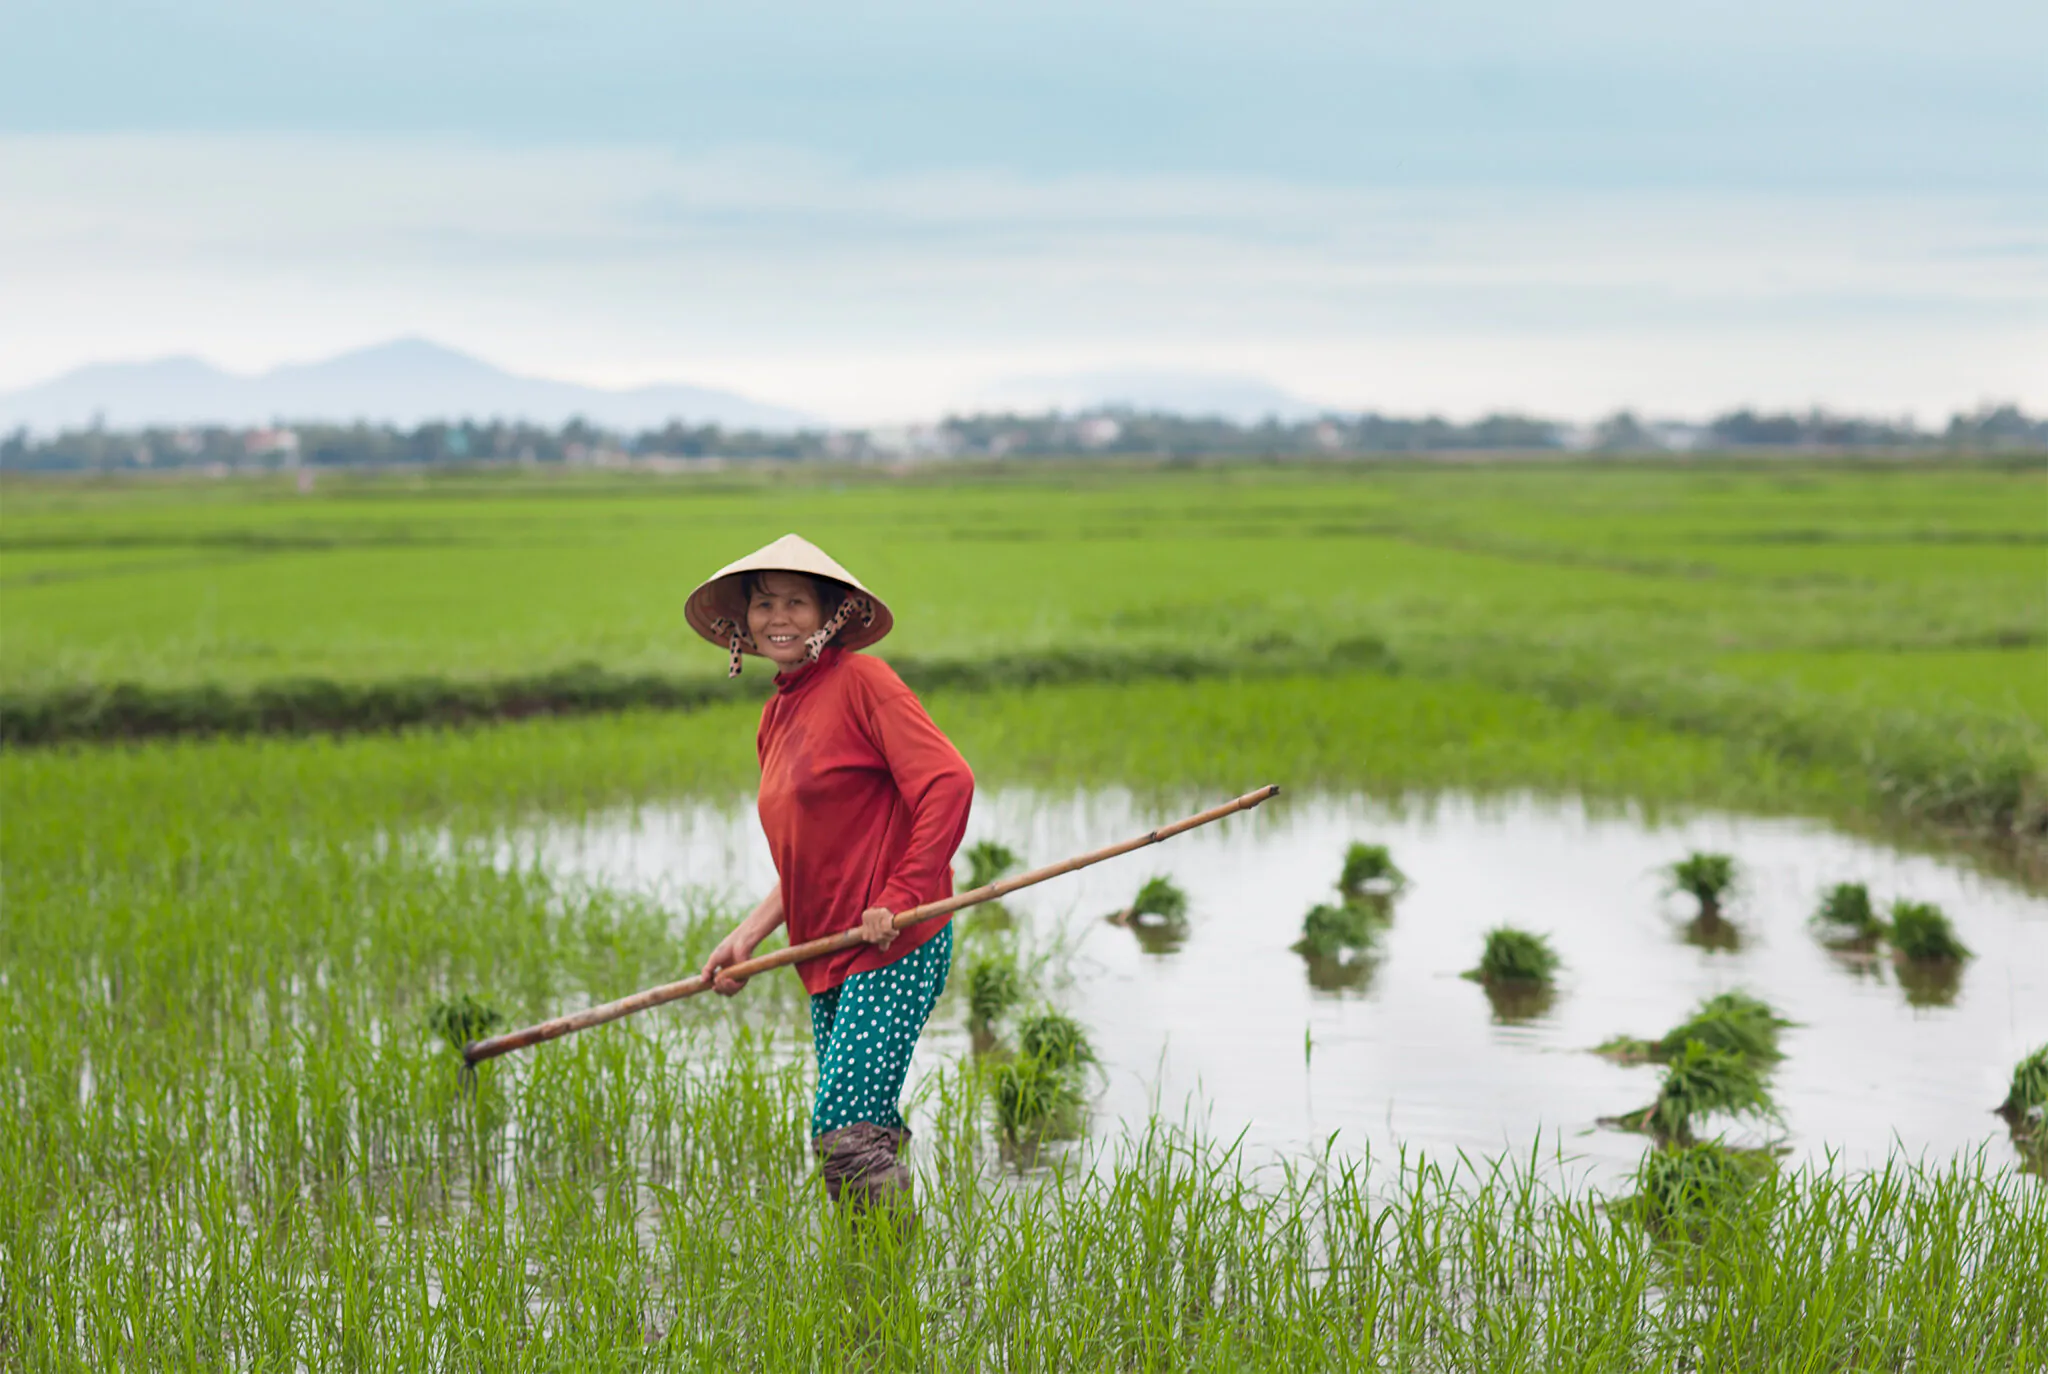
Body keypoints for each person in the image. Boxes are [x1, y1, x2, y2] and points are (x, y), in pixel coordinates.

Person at [689, 534, 974, 1214]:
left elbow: (947, 783)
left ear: (831, 616)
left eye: (796, 602)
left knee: (843, 1131)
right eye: (763, 604)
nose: (777, 617)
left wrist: (901, 896)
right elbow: (812, 860)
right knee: (860, 1127)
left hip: (892, 944)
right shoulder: (778, 713)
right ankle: (874, 1296)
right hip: (830, 952)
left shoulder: (862, 683)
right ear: (745, 622)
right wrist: (747, 936)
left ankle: (881, 1292)